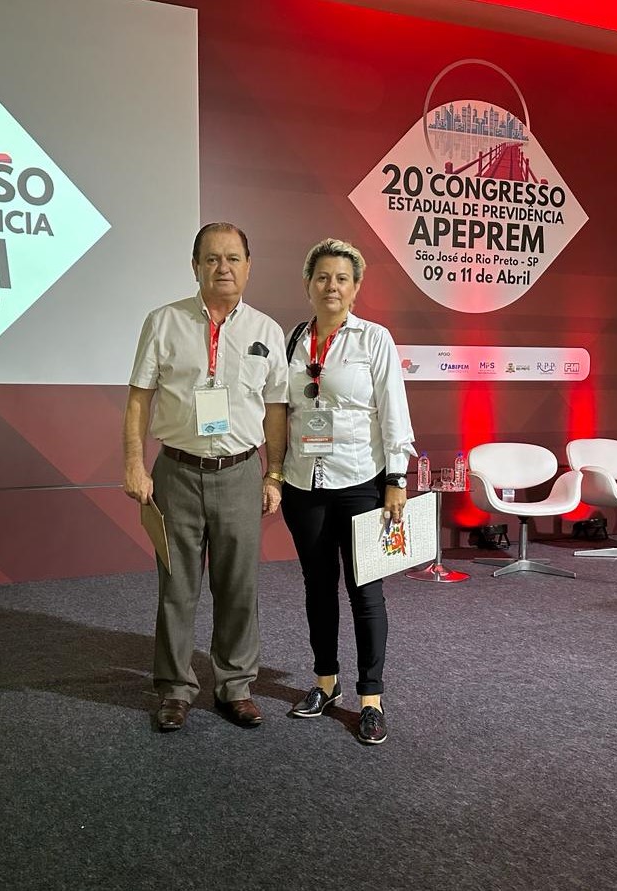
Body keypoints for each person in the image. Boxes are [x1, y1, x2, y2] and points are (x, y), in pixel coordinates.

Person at [123, 222, 289, 733]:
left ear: (248, 266)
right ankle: (175, 689)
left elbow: (276, 408)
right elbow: (139, 397)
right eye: (212, 259)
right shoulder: (163, 321)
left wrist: (274, 473)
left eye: (233, 258)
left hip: (240, 474)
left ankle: (235, 686)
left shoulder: (267, 330)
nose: (223, 268)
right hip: (176, 472)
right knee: (176, 587)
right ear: (195, 266)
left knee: (239, 587)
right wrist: (133, 463)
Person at [277, 238, 415, 745]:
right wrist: (275, 472)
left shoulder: (374, 339)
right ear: (308, 284)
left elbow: (393, 411)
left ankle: (371, 698)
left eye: (341, 279)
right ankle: (325, 683)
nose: (330, 286)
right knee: (318, 587)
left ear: (356, 288)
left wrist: (396, 479)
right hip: (304, 483)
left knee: (366, 592)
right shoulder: (295, 339)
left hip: (361, 482)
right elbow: (285, 409)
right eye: (322, 277)